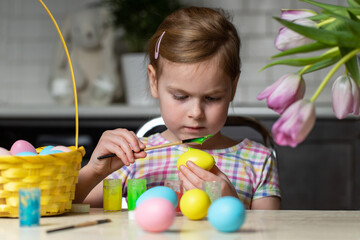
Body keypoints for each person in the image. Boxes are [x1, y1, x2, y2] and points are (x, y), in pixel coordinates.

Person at [74, 6, 281, 210]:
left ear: (232, 87)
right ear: (154, 82)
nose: (196, 113)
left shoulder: (258, 161)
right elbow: (66, 207)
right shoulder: (133, 158)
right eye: (181, 96)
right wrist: (94, 170)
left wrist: (230, 205)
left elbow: (273, 231)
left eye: (212, 98)